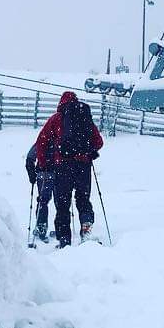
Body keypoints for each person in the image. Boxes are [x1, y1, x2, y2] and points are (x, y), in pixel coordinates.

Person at [34, 91, 104, 247]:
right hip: (83, 166)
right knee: (83, 200)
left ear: (61, 103)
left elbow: (41, 142)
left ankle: (64, 240)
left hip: (63, 166)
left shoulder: (56, 119)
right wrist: (87, 151)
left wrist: (44, 163)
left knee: (63, 204)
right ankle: (86, 230)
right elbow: (99, 141)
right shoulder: (84, 117)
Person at [24, 143, 52, 243]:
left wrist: (32, 174)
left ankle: (41, 226)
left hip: (43, 174)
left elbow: (30, 158)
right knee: (61, 202)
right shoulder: (61, 138)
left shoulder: (42, 140)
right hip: (59, 174)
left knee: (42, 201)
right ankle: (61, 228)